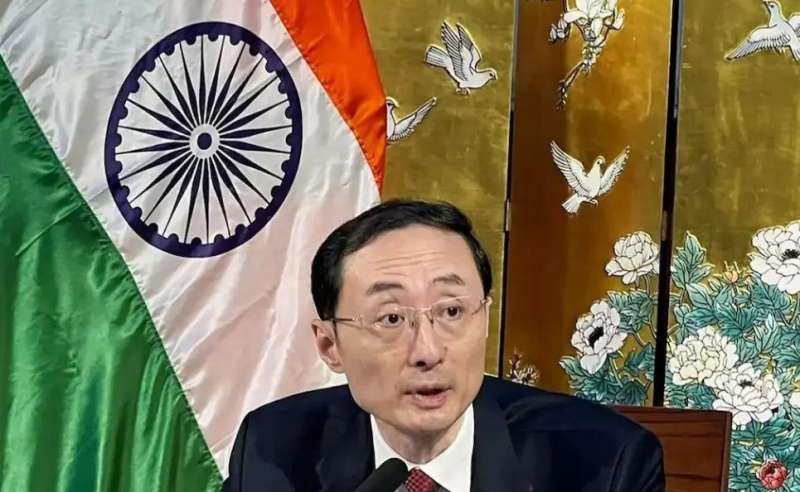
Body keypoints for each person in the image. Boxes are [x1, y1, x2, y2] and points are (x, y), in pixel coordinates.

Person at [223, 200, 665, 492]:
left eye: (451, 311)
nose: (428, 352)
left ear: (485, 318)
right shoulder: (273, 452)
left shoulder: (605, 464)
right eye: (391, 319)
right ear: (329, 345)